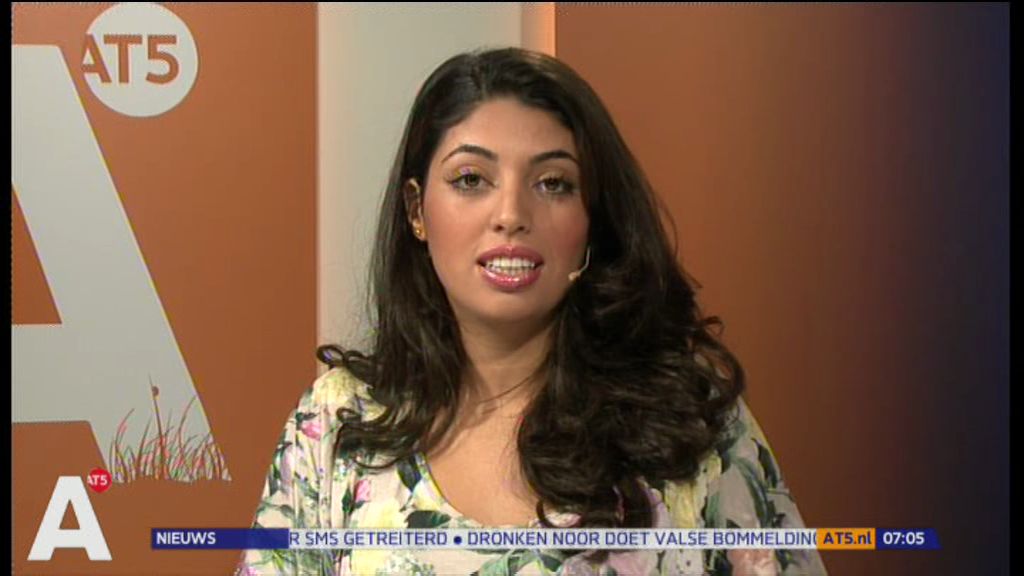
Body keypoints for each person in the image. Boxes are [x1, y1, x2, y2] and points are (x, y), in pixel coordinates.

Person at [237, 47, 828, 575]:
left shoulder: (691, 418)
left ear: (593, 217)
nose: (511, 214)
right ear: (417, 211)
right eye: (472, 179)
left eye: (553, 184)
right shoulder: (338, 422)